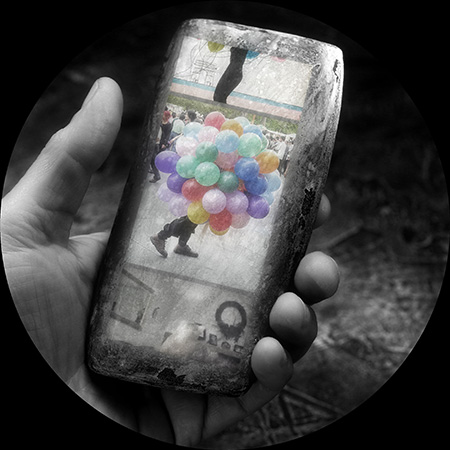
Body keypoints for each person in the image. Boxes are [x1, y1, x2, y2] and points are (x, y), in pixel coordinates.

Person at [1, 78, 339, 446]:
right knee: (191, 216)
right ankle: (163, 236)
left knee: (196, 220)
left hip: (146, 411)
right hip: (200, 191)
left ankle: (174, 242)